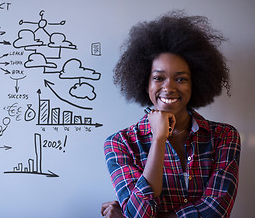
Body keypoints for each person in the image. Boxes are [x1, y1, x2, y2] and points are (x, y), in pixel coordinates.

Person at [101, 11, 241, 218]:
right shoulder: (120, 144)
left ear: (196, 83)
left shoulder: (224, 136)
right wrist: (158, 139)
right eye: (158, 78)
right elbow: (140, 214)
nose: (169, 87)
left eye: (181, 79)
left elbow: (215, 211)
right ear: (144, 82)